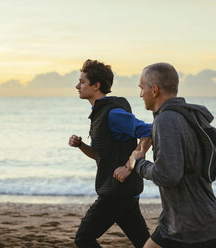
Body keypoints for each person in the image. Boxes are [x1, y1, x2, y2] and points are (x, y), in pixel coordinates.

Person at [114, 62, 216, 248]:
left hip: (191, 226)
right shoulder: (191, 114)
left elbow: (167, 175)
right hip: (177, 221)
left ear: (154, 90)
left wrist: (137, 163)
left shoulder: (166, 119)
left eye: (142, 88)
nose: (140, 94)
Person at [69, 59, 151, 248]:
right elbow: (101, 155)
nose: (77, 86)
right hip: (124, 192)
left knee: (84, 238)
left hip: (116, 192)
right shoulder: (99, 113)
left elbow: (147, 132)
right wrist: (81, 145)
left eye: (82, 82)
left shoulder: (114, 113)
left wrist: (128, 167)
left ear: (96, 85)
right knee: (145, 244)